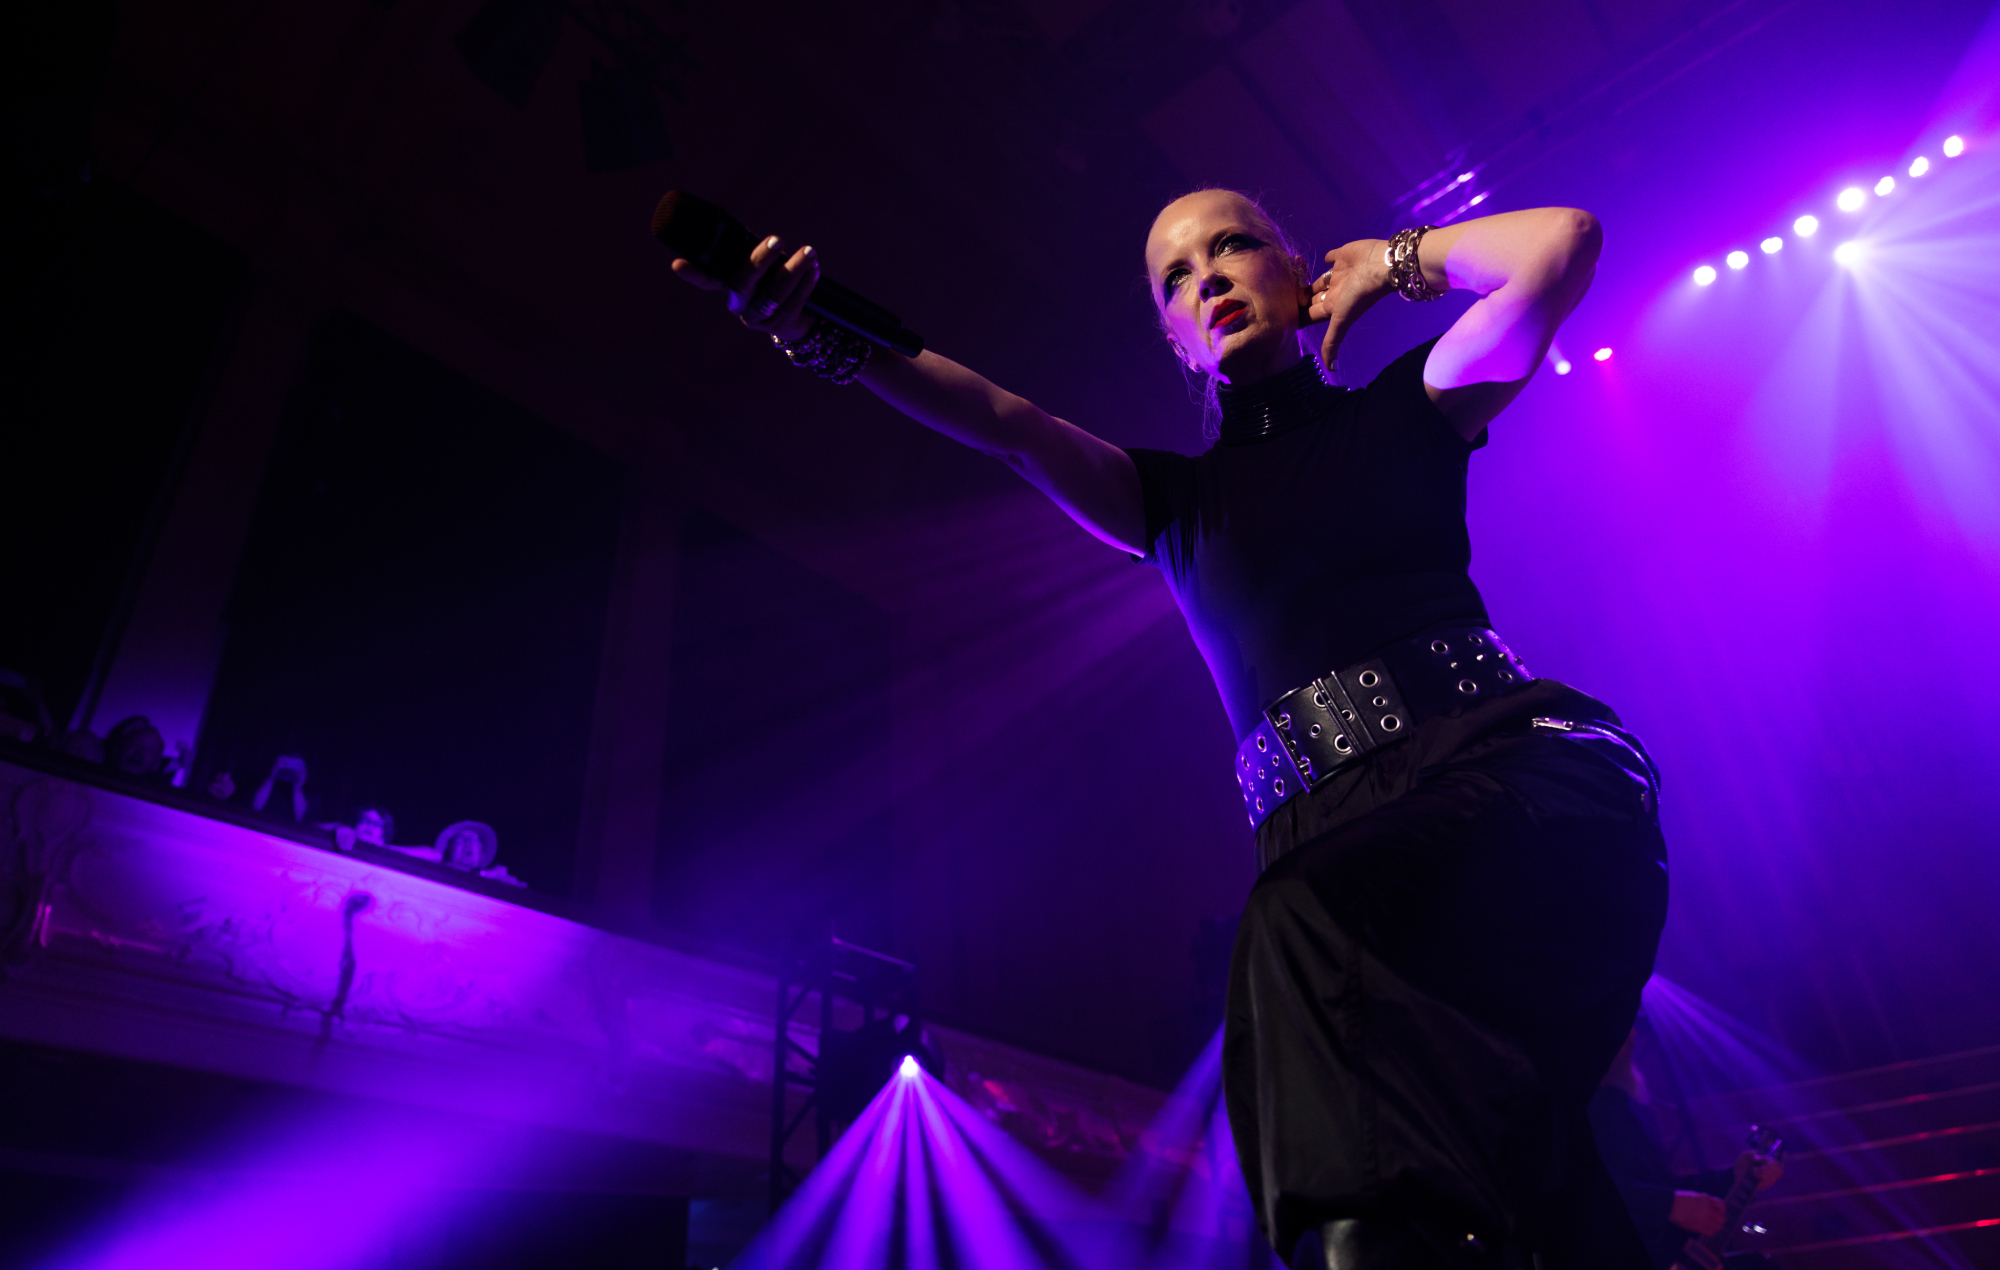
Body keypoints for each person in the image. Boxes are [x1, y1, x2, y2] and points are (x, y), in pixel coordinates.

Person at [668, 188, 1666, 1268]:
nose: (1211, 279)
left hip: (1505, 784)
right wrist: (823, 331)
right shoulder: (1172, 504)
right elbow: (1005, 426)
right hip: (1339, 849)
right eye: (1178, 278)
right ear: (1177, 342)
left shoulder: (1409, 406)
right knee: (1515, 1165)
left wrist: (1390, 260)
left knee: (1293, 928)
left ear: (1298, 273)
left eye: (1234, 247)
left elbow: (1558, 245)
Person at [1590, 1031, 1782, 1270]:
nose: (1633, 1036)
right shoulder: (1569, 1113)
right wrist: (1669, 1204)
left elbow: (1663, 1186)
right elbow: (1589, 1192)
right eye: (1623, 1027)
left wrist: (1734, 1176)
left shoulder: (1623, 1106)